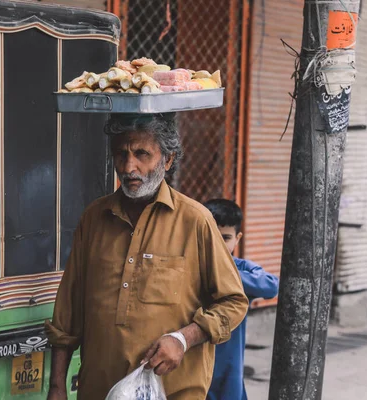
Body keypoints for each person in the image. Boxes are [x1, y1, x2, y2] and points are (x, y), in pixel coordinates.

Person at [45, 113, 249, 400]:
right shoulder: (94, 218)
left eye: (142, 154)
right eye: (120, 154)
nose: (129, 167)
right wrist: (56, 387)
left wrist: (182, 339)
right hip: (98, 390)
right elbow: (67, 314)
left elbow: (233, 302)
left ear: (167, 160)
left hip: (172, 391)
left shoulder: (195, 221)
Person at [203, 199, 279, 400]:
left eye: (226, 238)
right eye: (213, 237)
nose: (219, 245)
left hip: (229, 364)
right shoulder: (193, 265)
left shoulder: (243, 269)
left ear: (238, 238)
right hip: (194, 358)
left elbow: (271, 286)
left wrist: (225, 272)